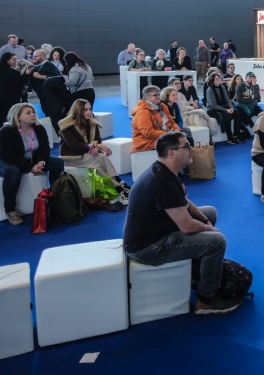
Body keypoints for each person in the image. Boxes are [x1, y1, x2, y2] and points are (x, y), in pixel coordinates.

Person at [123, 132, 240, 315]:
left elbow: (184, 201)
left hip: (158, 231)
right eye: (186, 146)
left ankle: (196, 271)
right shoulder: (162, 182)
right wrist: (210, 230)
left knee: (209, 212)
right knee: (217, 242)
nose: (191, 149)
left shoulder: (168, 171)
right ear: (172, 153)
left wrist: (205, 221)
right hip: (147, 248)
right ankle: (206, 301)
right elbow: (187, 226)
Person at [0, 103, 65, 226]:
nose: (33, 115)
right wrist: (30, 168)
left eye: (33, 112)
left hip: (32, 159)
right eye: (28, 113)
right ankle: (10, 210)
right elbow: (7, 156)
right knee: (14, 172)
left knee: (58, 163)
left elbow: (45, 149)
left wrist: (41, 162)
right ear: (18, 116)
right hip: (6, 160)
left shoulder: (39, 129)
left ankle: (53, 198)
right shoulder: (6, 132)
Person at [58, 99, 131, 203]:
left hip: (87, 154)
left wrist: (95, 149)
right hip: (73, 156)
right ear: (78, 111)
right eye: (85, 110)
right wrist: (95, 146)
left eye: (90, 109)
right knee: (98, 163)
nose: (89, 112)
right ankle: (119, 186)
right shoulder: (67, 126)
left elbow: (97, 139)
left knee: (101, 158)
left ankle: (119, 185)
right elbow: (75, 146)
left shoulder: (91, 121)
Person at [132, 85, 181, 152]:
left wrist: (177, 130)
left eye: (159, 94)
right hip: (147, 142)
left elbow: (171, 121)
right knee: (179, 144)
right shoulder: (142, 112)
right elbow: (148, 133)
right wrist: (168, 133)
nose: (158, 97)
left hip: (164, 135)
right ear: (147, 97)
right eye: (155, 95)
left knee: (185, 136)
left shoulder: (163, 106)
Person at [206, 72, 248, 144]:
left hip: (223, 107)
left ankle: (236, 135)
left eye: (219, 78)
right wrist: (226, 110)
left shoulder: (222, 87)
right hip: (212, 110)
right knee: (227, 116)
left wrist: (231, 108)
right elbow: (214, 105)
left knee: (237, 114)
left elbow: (227, 100)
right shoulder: (210, 90)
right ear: (213, 81)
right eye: (217, 79)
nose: (219, 80)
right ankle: (230, 138)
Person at [0, 53, 31, 119]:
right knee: (13, 114)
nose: (16, 61)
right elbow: (21, 81)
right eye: (13, 60)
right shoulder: (13, 72)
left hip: (2, 97)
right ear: (7, 61)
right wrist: (27, 74)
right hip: (12, 97)